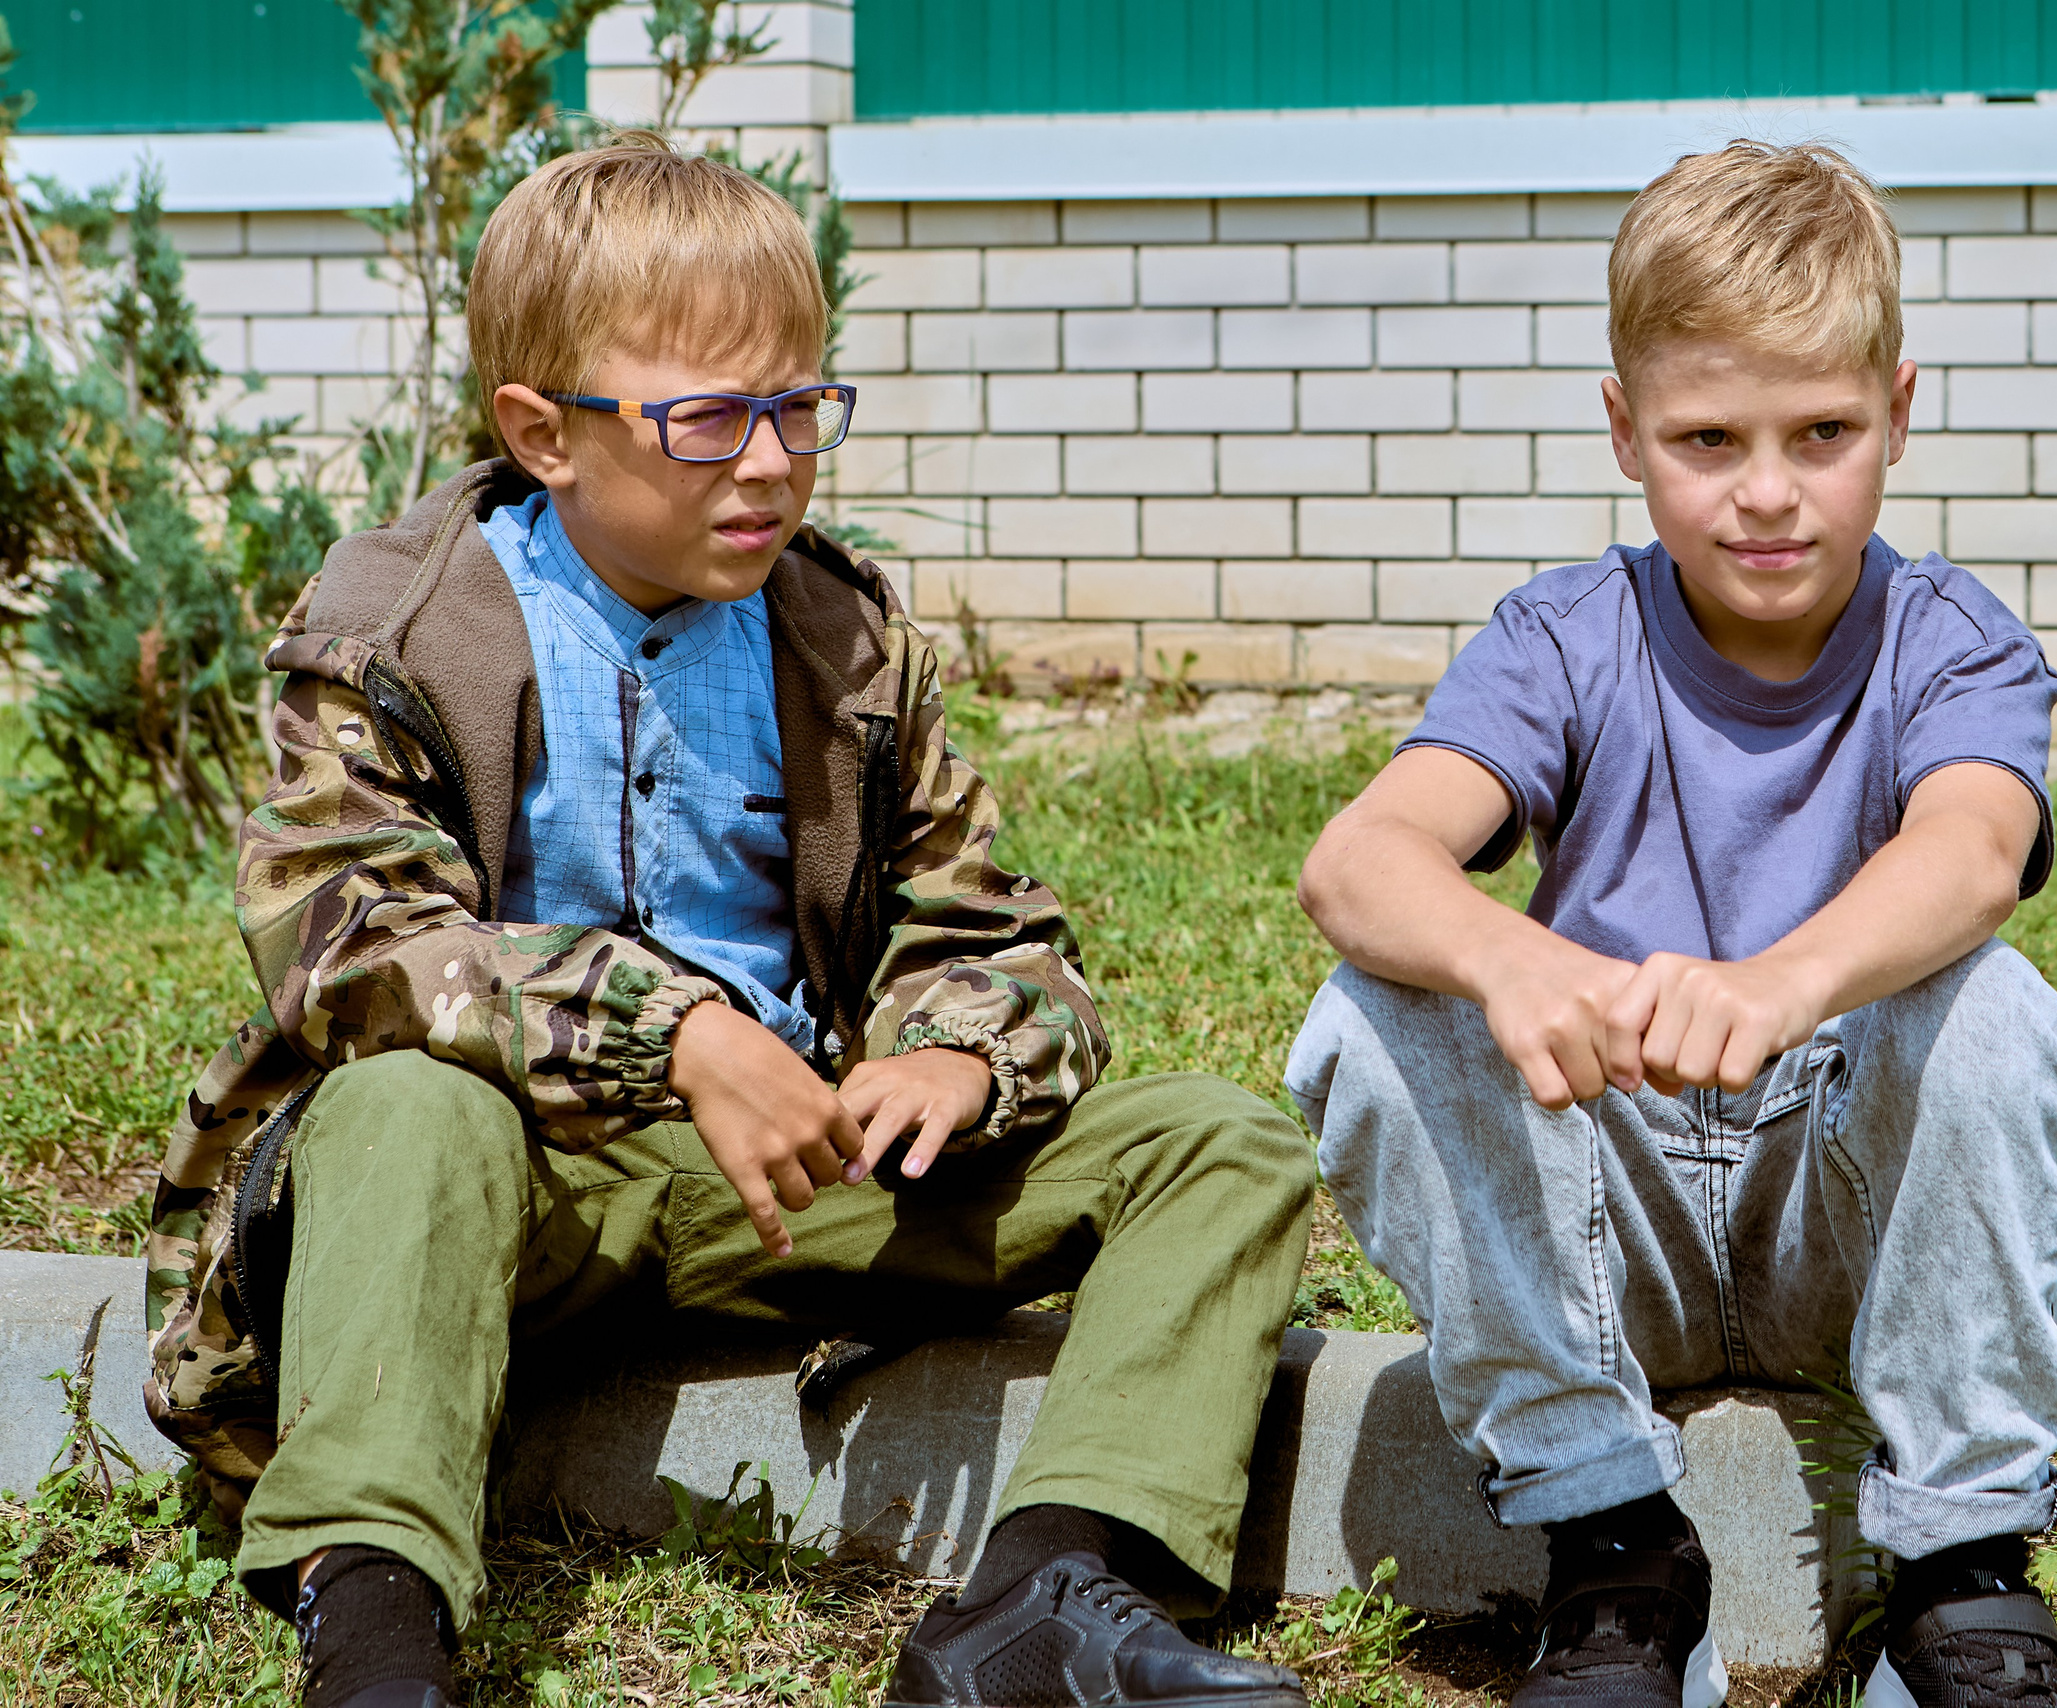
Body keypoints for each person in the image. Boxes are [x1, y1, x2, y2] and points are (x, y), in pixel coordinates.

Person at [142, 136, 1316, 1708]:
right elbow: (349, 943)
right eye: (706, 420)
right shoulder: (398, 631)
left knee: (1221, 1140)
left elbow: (988, 924)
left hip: (784, 1178)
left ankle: (1047, 1595)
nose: (769, 464)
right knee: (407, 1111)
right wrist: (673, 1028)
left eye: (800, 408)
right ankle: (374, 1638)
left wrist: (957, 1053)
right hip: (499, 1189)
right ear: (541, 431)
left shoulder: (841, 633)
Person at [1285, 141, 2057, 1708]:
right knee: (1370, 1010)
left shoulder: (1952, 641)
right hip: (1614, 1217)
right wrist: (1516, 958)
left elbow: (1974, 851)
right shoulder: (1567, 636)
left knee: (1994, 1008)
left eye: (1824, 433)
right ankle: (1615, 1551)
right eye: (1710, 438)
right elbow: (1362, 860)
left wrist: (1783, 985)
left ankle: (1960, 1569)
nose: (1771, 491)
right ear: (1625, 430)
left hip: (1839, 1221)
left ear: (1900, 415)